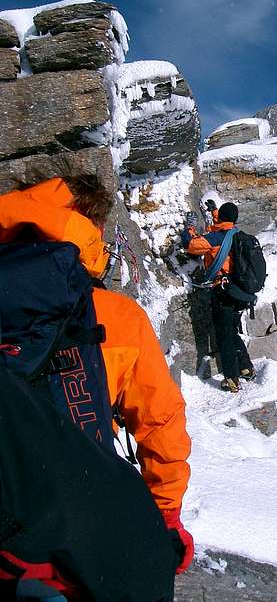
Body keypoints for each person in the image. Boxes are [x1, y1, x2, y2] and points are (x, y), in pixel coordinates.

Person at [0, 175, 193, 597]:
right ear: (93, 231)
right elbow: (160, 420)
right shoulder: (116, 316)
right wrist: (165, 515)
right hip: (83, 530)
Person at [181, 200, 255, 393]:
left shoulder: (215, 238)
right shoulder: (237, 235)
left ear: (221, 217)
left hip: (222, 292)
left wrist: (189, 227)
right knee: (231, 331)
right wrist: (215, 212)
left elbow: (191, 245)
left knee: (224, 336)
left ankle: (231, 379)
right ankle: (246, 367)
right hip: (240, 292)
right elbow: (225, 223)